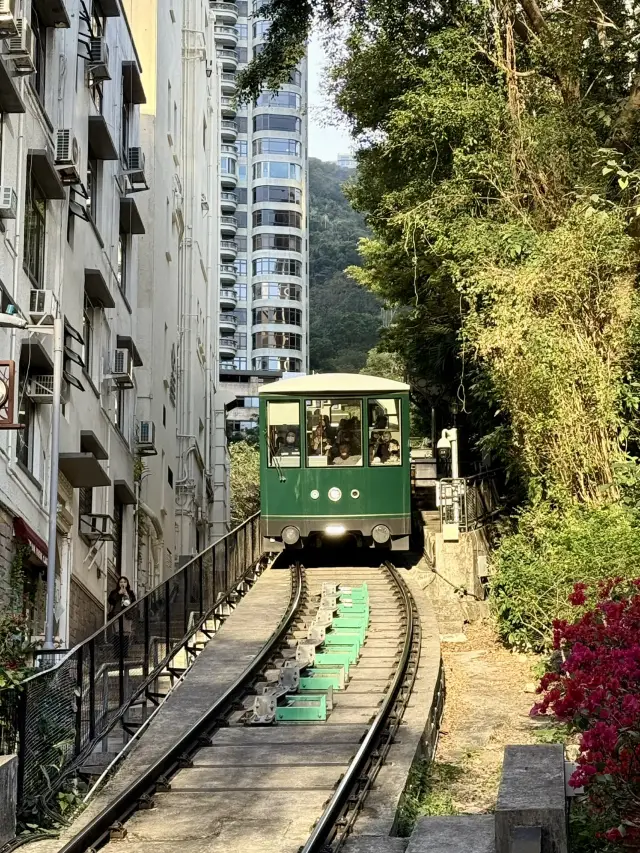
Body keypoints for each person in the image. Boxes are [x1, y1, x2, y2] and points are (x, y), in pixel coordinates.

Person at [108, 577, 136, 659]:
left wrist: (127, 595)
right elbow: (111, 601)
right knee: (117, 633)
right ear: (118, 583)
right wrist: (119, 594)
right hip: (117, 614)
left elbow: (133, 603)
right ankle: (117, 654)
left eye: (124, 582)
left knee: (126, 634)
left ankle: (125, 654)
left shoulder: (130, 592)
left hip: (127, 615)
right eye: (121, 582)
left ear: (127, 583)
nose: (123, 583)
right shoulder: (114, 592)